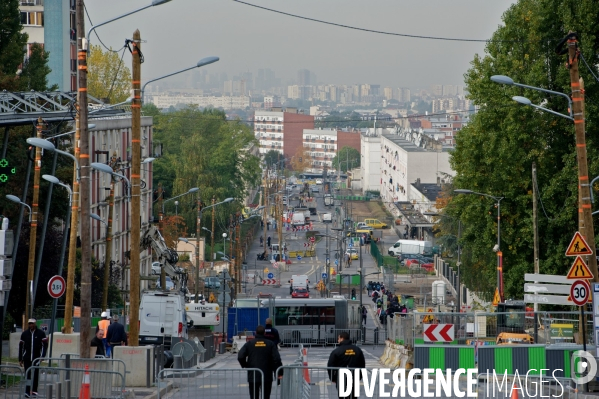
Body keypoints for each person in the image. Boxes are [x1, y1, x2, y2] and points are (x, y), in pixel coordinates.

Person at [238, 325, 283, 399]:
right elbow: (277, 359)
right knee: (266, 396)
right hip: (267, 375)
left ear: (255, 333)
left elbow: (240, 356)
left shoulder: (250, 343)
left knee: (254, 396)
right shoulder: (270, 344)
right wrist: (279, 372)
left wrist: (245, 365)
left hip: (253, 374)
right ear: (264, 333)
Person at [327, 332, 366, 399]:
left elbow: (330, 365)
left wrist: (333, 378)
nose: (338, 340)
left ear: (342, 338)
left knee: (342, 396)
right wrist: (359, 376)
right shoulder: (357, 350)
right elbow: (362, 364)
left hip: (341, 378)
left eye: (338, 338)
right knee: (353, 396)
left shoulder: (336, 351)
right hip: (354, 377)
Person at [19, 318, 48, 398]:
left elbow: (44, 345)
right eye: (29, 324)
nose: (31, 325)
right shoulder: (24, 334)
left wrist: (42, 356)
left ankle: (34, 391)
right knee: (27, 374)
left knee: (35, 374)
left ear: (35, 324)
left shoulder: (41, 333)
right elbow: (21, 346)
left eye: (32, 323)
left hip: (36, 357)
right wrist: (20, 358)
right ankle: (27, 391)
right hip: (27, 357)